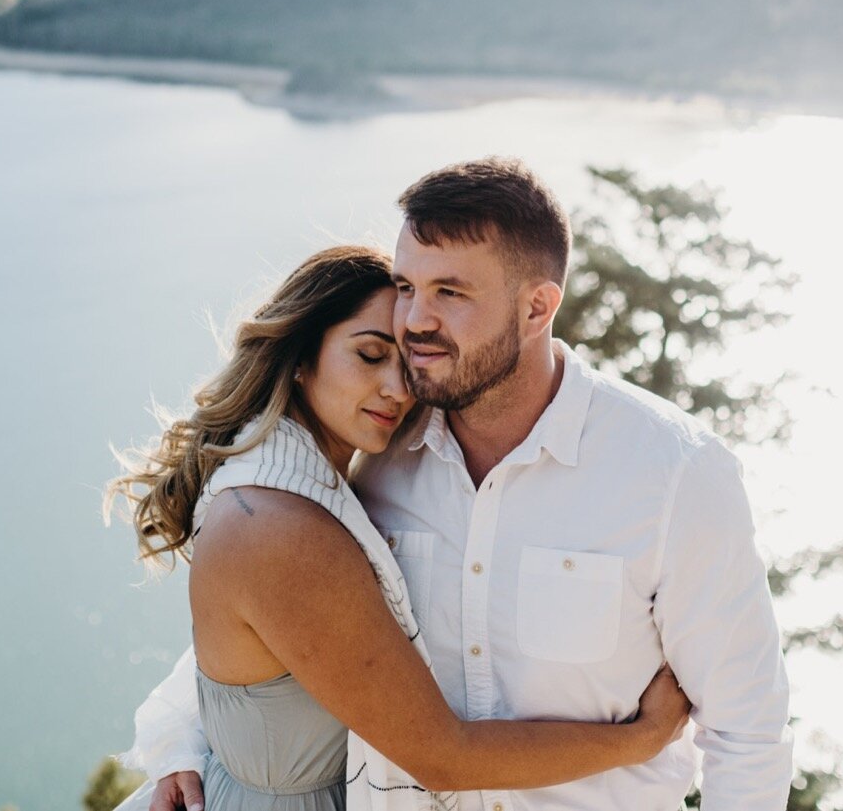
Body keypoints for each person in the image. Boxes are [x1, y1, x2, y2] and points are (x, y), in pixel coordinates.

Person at [106, 243, 693, 811]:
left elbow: (282, 646)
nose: (397, 388)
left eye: (409, 361)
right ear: (302, 357)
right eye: (368, 355)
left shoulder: (330, 479)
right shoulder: (276, 522)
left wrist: (177, 737)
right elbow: (441, 757)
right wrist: (643, 739)